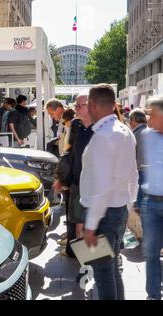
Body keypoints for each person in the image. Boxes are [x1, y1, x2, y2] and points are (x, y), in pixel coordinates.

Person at [80, 84, 139, 300]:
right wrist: (128, 204)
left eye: (86, 105)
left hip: (103, 215)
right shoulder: (125, 131)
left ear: (93, 105)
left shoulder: (104, 136)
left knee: (104, 275)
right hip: (117, 210)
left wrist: (91, 225)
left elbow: (101, 187)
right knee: (112, 271)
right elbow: (134, 175)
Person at [54, 93, 93, 258]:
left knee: (92, 226)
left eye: (79, 105)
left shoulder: (102, 127)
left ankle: (97, 261)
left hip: (96, 186)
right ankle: (83, 258)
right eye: (76, 105)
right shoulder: (75, 124)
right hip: (77, 183)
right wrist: (61, 178)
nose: (75, 108)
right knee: (77, 223)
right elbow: (69, 151)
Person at [140, 96, 163, 300]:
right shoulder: (147, 136)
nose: (149, 118)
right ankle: (153, 295)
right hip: (151, 202)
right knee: (151, 252)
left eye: (153, 114)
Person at [129, 108, 148, 209]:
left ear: (134, 120)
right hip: (149, 170)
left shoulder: (135, 134)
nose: (129, 122)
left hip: (139, 170)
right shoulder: (149, 131)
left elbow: (131, 155)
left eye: (130, 120)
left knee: (139, 201)